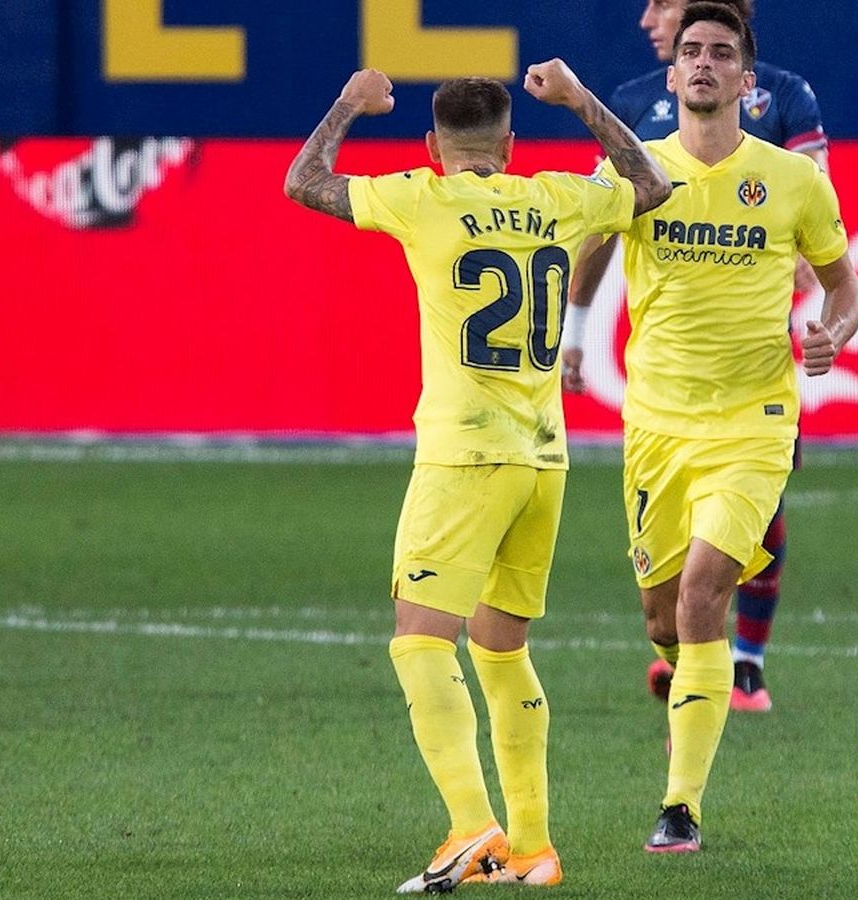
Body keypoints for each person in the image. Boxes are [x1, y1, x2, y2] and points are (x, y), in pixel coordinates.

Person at [283, 61, 670, 891]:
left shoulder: (422, 198)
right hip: (544, 460)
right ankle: (531, 847)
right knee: (501, 650)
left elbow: (304, 181)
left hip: (464, 455)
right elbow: (652, 181)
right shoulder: (558, 197)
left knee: (420, 639)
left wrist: (349, 103)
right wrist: (581, 101)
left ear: (432, 146)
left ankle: (470, 826)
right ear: (511, 142)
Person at [577, 3, 858, 852]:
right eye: (691, 52)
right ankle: (684, 674)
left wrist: (834, 333)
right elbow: (585, 252)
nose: (702, 63)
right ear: (672, 77)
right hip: (657, 421)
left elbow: (844, 286)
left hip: (754, 419)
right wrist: (565, 336)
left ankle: (680, 807)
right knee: (664, 619)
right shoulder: (634, 171)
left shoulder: (793, 180)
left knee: (706, 593)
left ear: (748, 80)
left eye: (721, 53)